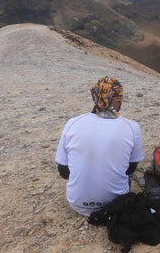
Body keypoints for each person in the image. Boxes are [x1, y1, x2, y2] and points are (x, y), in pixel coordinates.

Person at [55, 76, 144, 216]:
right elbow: (130, 170)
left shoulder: (73, 123)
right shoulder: (132, 127)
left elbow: (64, 172)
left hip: (77, 203)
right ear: (116, 100)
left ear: (95, 96)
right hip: (117, 203)